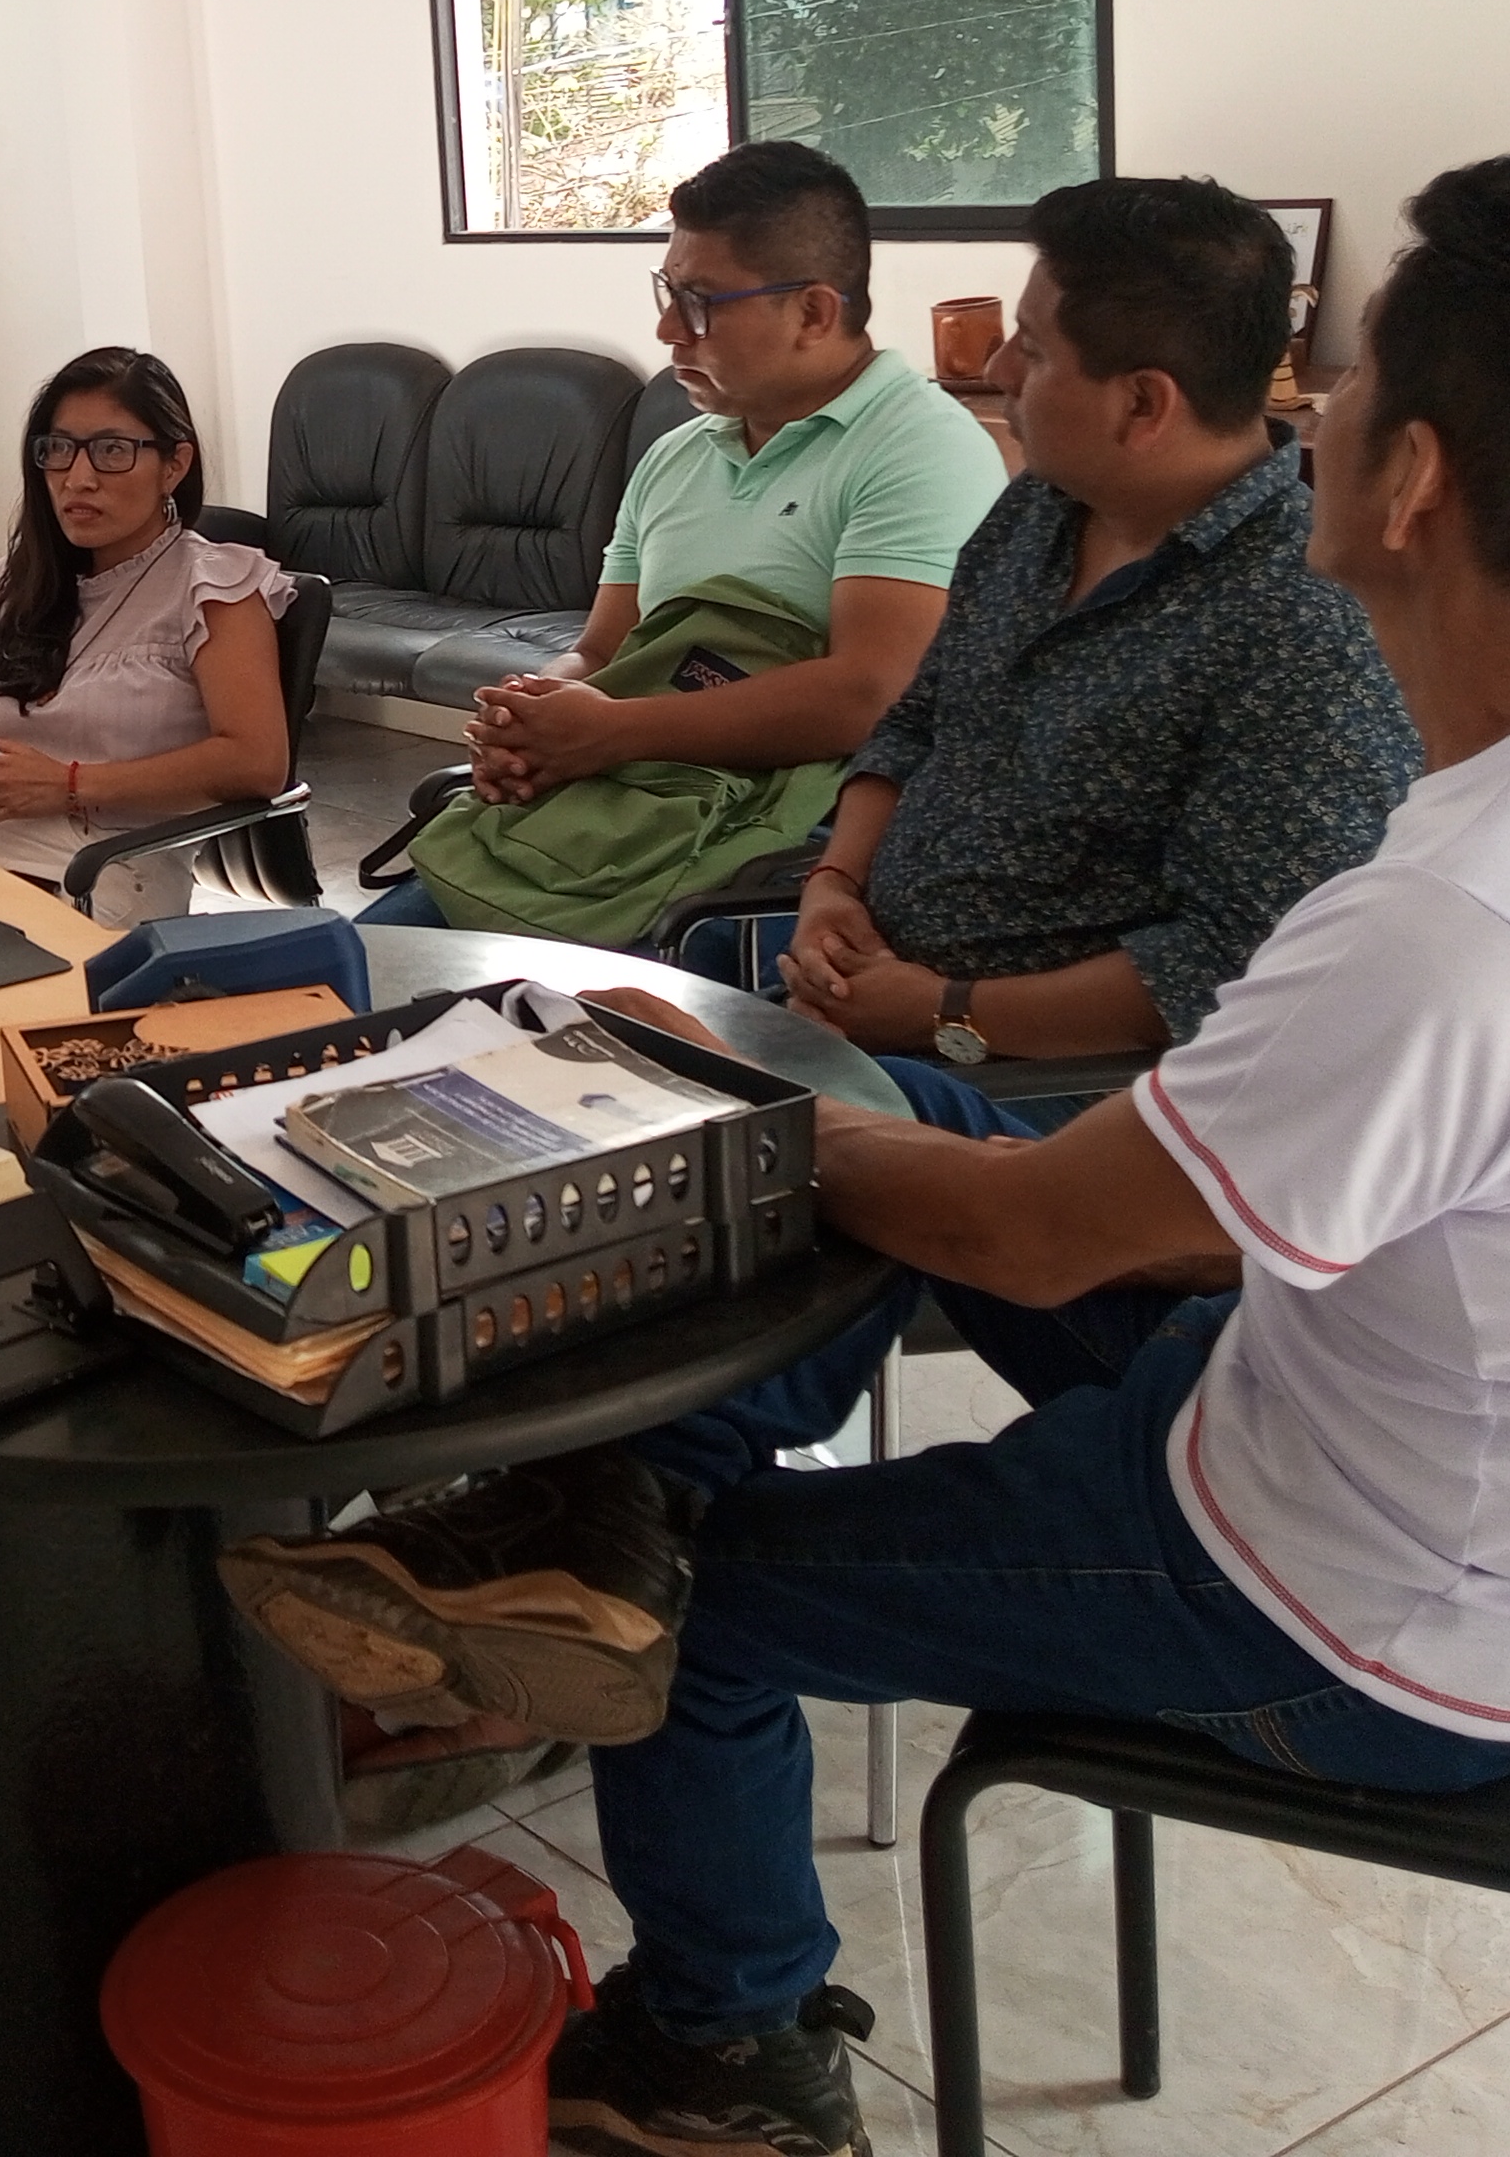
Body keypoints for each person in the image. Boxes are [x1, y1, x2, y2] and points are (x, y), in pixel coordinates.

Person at [218, 158, 1510, 2157]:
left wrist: (783, 1107)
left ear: (1405, 477)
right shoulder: (1401, 825)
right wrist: (848, 951)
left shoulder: (1431, 911)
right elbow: (908, 753)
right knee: (872, 1150)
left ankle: (721, 2041)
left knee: (702, 1601)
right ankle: (585, 1501)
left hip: (1356, 1601)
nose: (1309, 411)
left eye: (1339, 392)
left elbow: (1042, 1233)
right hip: (1324, 1378)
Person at [775, 178, 1416, 1130]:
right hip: (869, 998)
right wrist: (835, 888)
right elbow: (917, 720)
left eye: (1033, 349)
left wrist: (943, 1010)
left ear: (1143, 404)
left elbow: (1235, 960)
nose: (997, 368)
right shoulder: (1039, 510)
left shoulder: (1299, 620)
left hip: (1050, 1094)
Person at [366, 142, 1008, 932]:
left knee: (520, 996)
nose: (668, 328)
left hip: (783, 841)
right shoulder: (677, 456)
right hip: (624, 810)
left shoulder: (920, 450)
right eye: (669, 292)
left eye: (701, 303)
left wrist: (611, 733)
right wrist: (536, 719)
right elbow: (603, 652)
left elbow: (869, 695)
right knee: (362, 963)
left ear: (813, 313)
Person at [0, 346, 294, 926]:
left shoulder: (215, 587)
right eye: (59, 450)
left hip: (111, 867)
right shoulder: (24, 581)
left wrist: (71, 784)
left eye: (112, 451)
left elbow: (256, 761)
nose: (78, 478)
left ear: (174, 465)